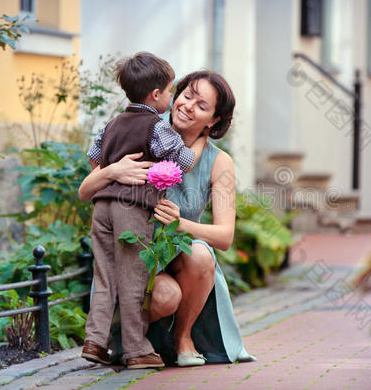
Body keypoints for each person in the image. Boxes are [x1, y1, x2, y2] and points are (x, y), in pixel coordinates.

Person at [79, 70, 255, 367]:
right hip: (136, 258)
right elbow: (85, 190)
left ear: (213, 120)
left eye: (202, 106)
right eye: (186, 96)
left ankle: (183, 337)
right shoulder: (144, 133)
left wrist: (181, 224)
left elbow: (224, 237)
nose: (188, 106)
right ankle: (128, 340)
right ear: (173, 95)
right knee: (165, 296)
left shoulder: (219, 162)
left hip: (180, 257)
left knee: (200, 253)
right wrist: (112, 171)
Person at [81, 52, 206, 370]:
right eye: (169, 91)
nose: (171, 97)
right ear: (155, 95)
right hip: (131, 210)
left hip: (102, 207)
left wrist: (114, 171)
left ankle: (95, 341)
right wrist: (200, 142)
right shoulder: (156, 126)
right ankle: (137, 349)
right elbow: (185, 161)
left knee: (105, 276)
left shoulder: (113, 123)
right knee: (133, 278)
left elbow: (94, 158)